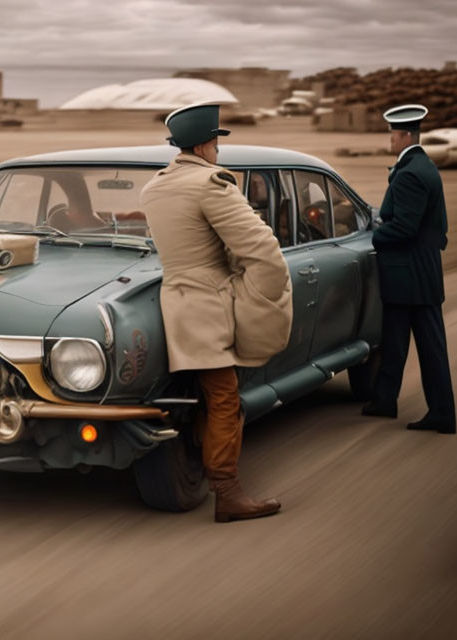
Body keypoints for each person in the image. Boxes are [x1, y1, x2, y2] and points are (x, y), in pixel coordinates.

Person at [140, 103, 293, 522]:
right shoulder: (210, 183)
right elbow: (261, 249)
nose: (218, 152)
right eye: (216, 144)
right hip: (209, 307)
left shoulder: (154, 188)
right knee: (225, 400)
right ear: (207, 144)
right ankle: (228, 495)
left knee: (201, 397)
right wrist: (262, 296)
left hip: (176, 303)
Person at [362, 104, 457, 434]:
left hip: (410, 272)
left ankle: (443, 414)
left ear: (404, 135)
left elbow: (404, 228)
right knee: (395, 340)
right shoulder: (422, 165)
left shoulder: (411, 174)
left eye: (392, 134)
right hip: (417, 271)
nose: (390, 139)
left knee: (429, 348)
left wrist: (375, 235)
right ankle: (385, 401)